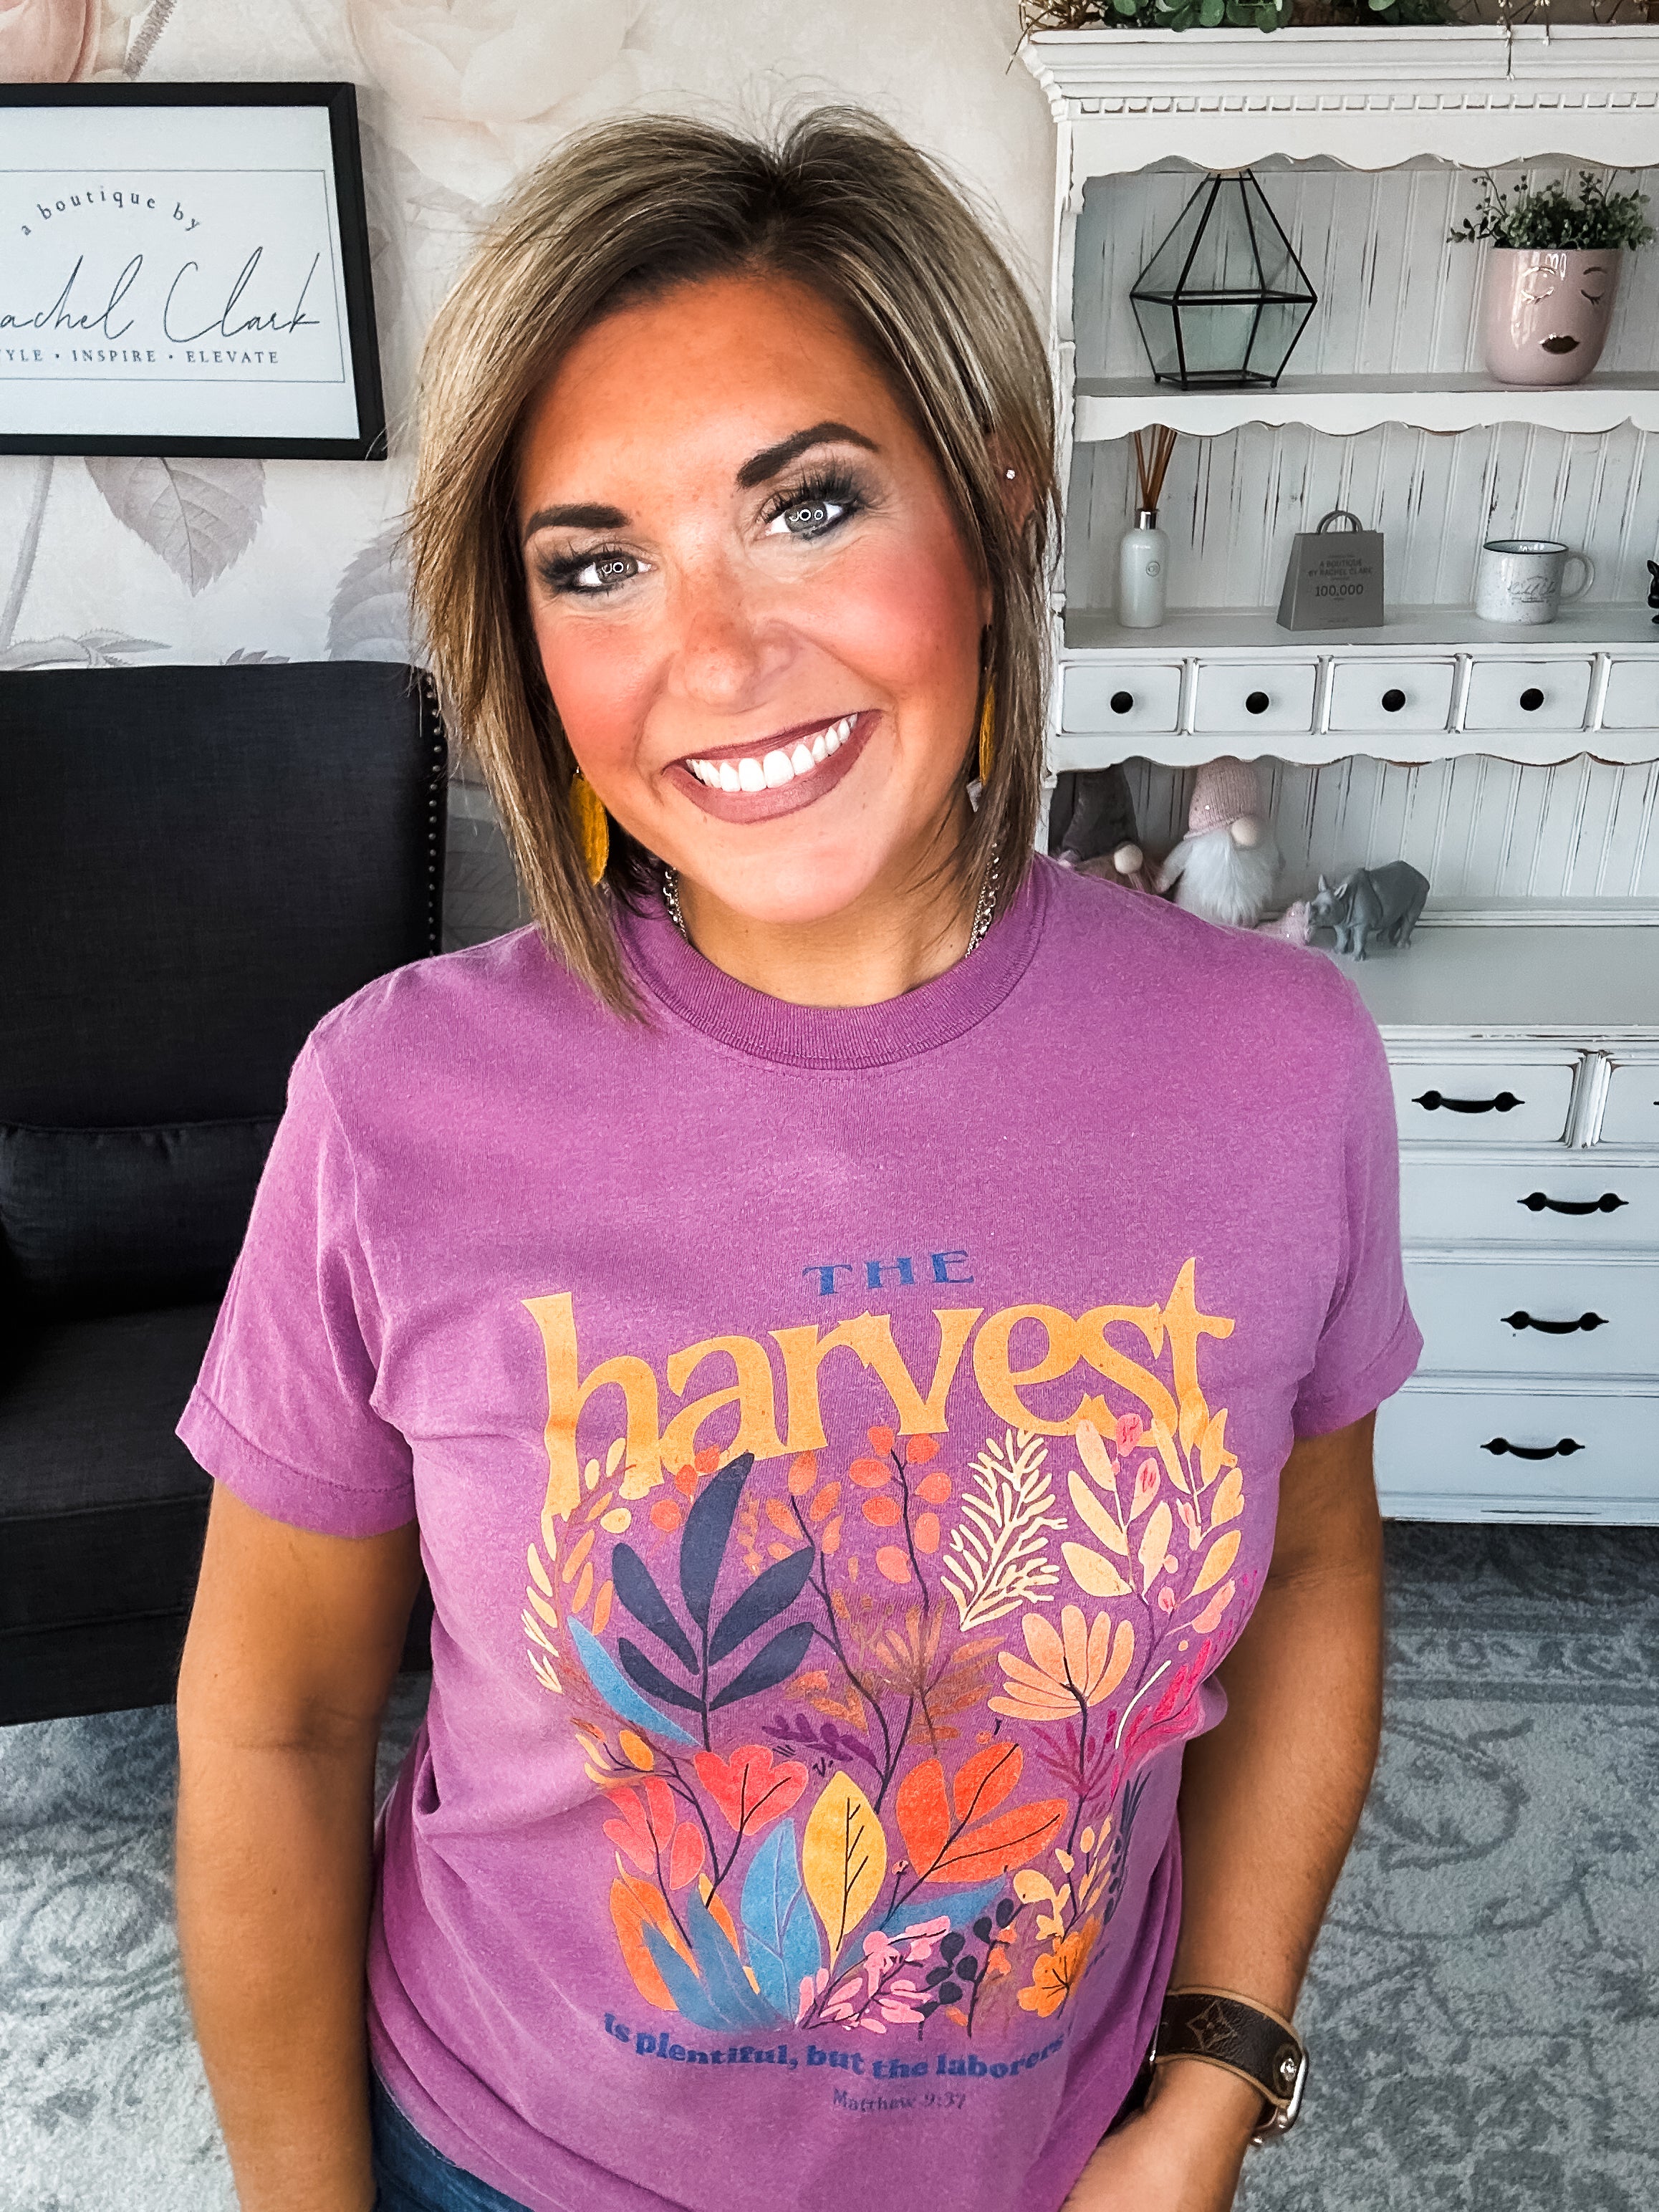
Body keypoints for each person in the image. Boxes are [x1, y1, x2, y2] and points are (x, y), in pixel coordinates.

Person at [173, 108, 1420, 2212]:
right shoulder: (391, 1103)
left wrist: (1214, 2073)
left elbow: (1303, 1577)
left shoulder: (1271, 1060)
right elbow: (274, 1726)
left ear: (996, 503)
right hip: (506, 2159)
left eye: (807, 507)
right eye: (596, 564)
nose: (715, 661)